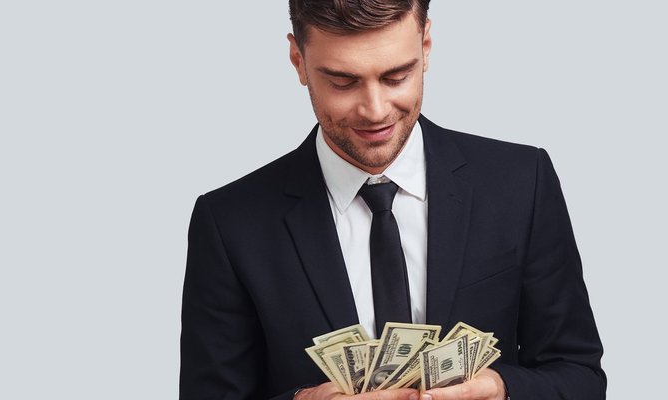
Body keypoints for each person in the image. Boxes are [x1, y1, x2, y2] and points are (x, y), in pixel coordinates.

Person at [179, 1, 606, 399]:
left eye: (396, 77)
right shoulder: (229, 223)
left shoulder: (520, 183)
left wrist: (501, 389)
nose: (375, 110)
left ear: (426, 45)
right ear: (298, 61)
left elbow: (579, 375)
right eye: (343, 81)